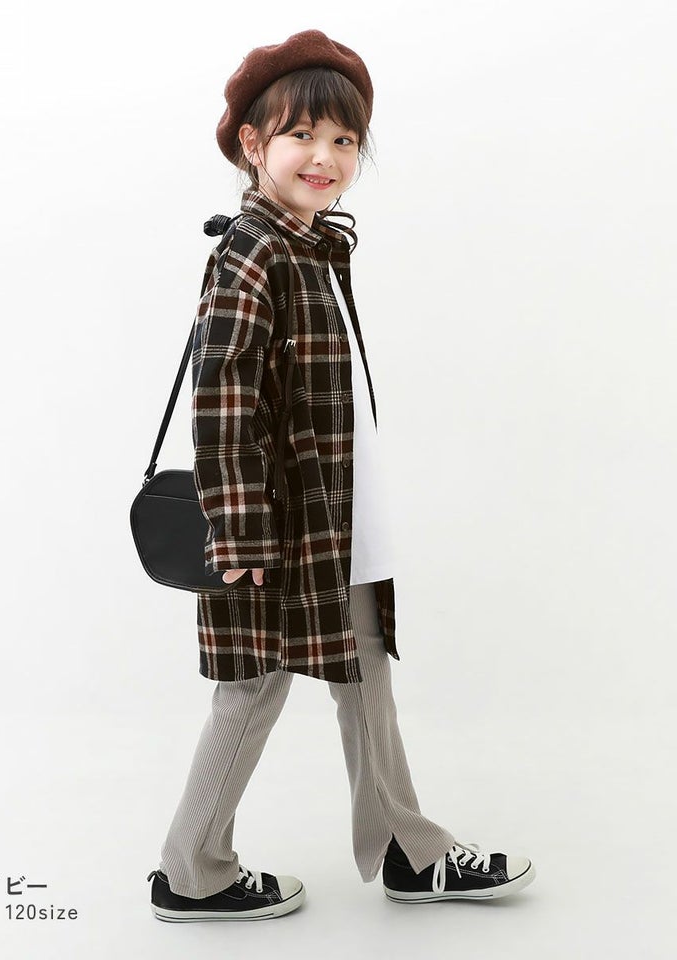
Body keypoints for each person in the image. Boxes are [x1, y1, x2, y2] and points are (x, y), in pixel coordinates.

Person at [146, 28, 536, 923]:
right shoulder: (253, 250)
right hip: (274, 527)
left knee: (365, 673)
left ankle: (409, 852)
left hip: (336, 519)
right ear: (253, 144)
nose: (324, 157)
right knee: (253, 685)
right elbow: (222, 398)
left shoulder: (315, 247)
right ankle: (190, 874)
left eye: (344, 139)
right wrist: (240, 530)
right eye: (302, 135)